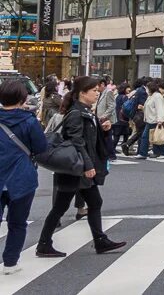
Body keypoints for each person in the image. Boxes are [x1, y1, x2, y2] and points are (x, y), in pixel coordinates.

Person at [35, 76, 126, 258]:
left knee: (93, 203)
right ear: (83, 93)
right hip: (76, 168)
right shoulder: (77, 113)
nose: (96, 93)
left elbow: (89, 139)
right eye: (93, 91)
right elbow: (77, 142)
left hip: (80, 167)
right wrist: (88, 165)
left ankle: (100, 240)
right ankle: (44, 243)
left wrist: (104, 129)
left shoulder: (85, 111)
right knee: (61, 206)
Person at [0, 79, 49, 274]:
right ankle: (10, 263)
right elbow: (41, 148)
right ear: (22, 98)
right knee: (17, 223)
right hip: (22, 178)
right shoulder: (29, 121)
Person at [136, 80, 164, 160]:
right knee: (155, 137)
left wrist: (160, 120)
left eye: (147, 88)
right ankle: (159, 152)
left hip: (155, 120)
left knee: (152, 136)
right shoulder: (151, 96)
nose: (146, 90)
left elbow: (159, 108)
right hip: (150, 119)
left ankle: (144, 153)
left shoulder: (157, 96)